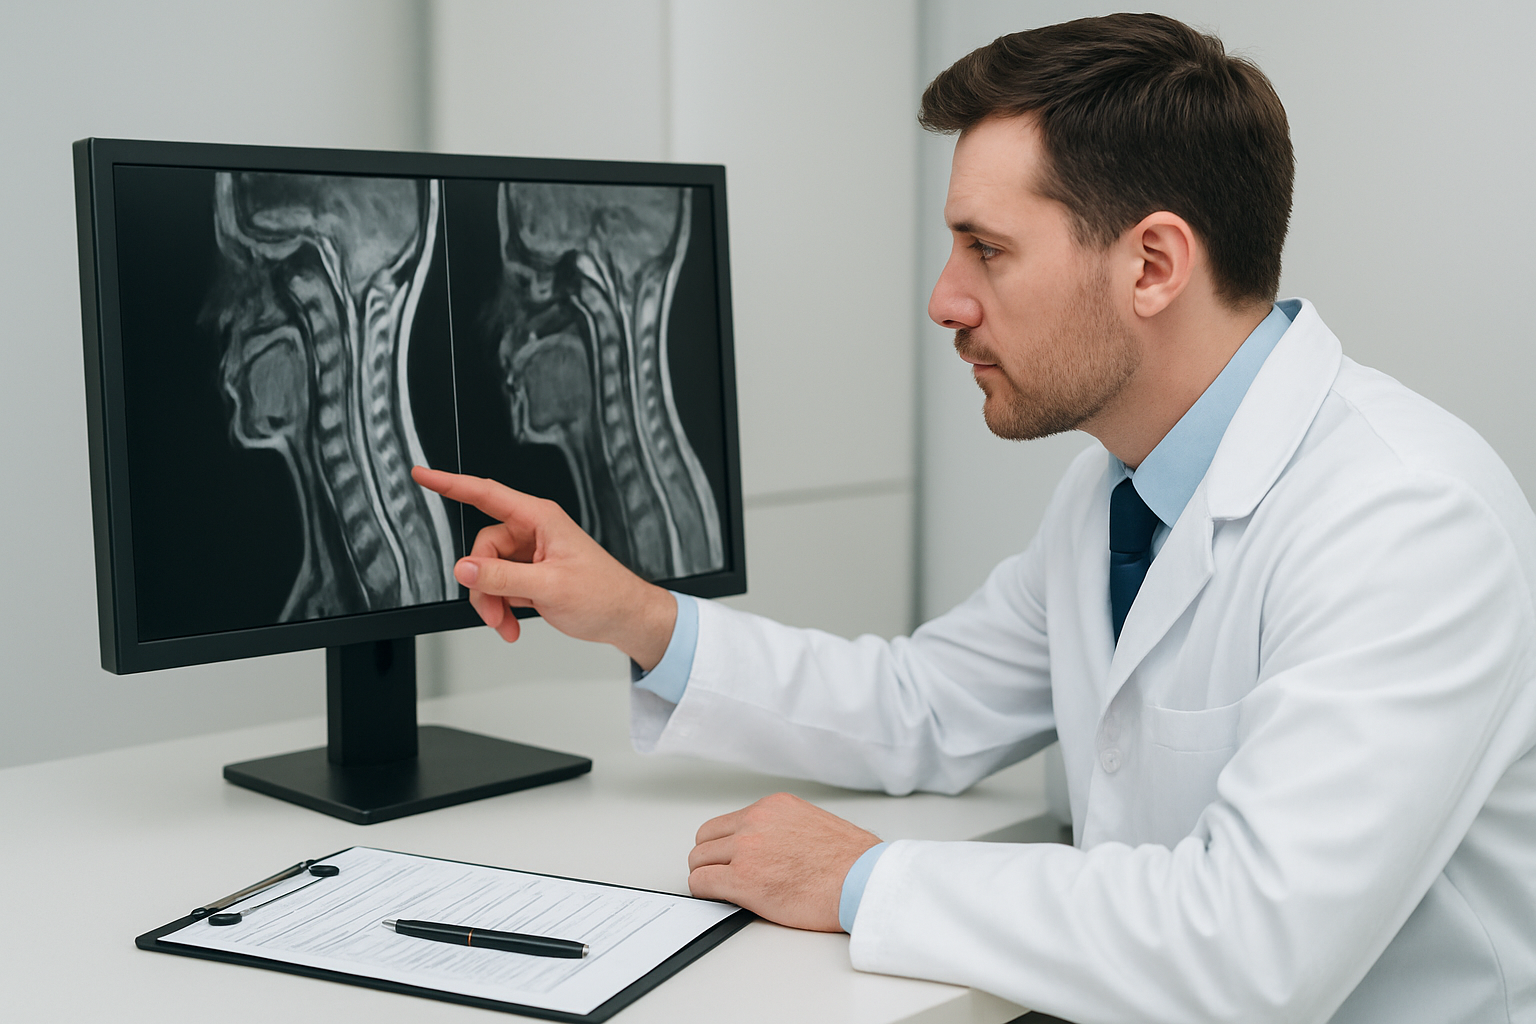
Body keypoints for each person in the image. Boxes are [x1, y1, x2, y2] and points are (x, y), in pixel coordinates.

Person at [414, 14, 1536, 1024]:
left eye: (986, 249)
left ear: (1152, 262)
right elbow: (925, 704)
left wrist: (862, 879)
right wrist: (639, 615)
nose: (947, 299)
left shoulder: (1405, 516)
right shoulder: (1118, 491)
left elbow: (1253, 950)